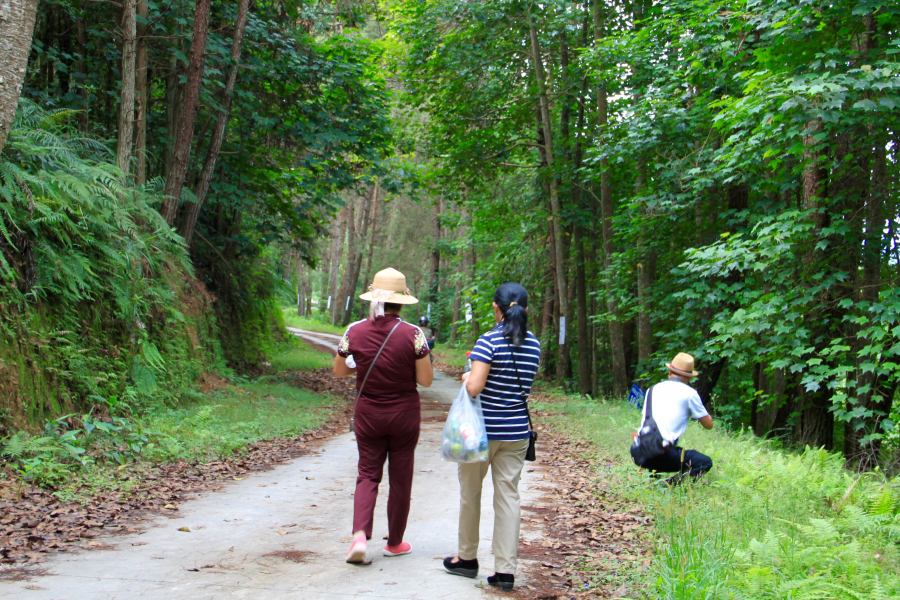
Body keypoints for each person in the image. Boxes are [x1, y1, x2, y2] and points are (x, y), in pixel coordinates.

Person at [443, 282, 540, 592]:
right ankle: (505, 571)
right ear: (527, 309)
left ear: (496, 308)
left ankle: (467, 559)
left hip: (480, 433)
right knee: (509, 496)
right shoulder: (534, 344)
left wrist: (465, 375)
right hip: (516, 433)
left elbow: (474, 387)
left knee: (471, 494)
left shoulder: (488, 341)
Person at [333, 267, 434, 564]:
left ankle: (360, 536)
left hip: (368, 414)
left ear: (373, 299)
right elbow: (426, 381)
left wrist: (360, 363)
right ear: (402, 302)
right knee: (401, 478)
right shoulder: (414, 335)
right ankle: (395, 542)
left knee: (367, 473)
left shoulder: (354, 331)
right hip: (404, 415)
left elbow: (340, 370)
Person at [637, 352, 714, 484]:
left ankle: (653, 480)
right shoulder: (690, 393)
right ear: (689, 378)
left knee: (660, 438)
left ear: (670, 372)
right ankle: (668, 484)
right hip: (661, 453)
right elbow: (708, 425)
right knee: (704, 462)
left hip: (638, 450)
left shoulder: (653, 389)